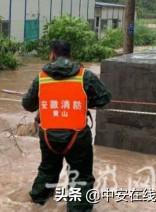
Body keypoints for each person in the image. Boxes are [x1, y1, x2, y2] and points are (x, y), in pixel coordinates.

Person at [22, 40, 111, 211]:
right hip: (77, 136)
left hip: (48, 135)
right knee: (80, 177)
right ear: (70, 55)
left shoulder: (41, 77)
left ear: (52, 55)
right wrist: (85, 101)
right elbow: (104, 98)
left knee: (48, 170)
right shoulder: (85, 75)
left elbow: (27, 104)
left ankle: (38, 202)